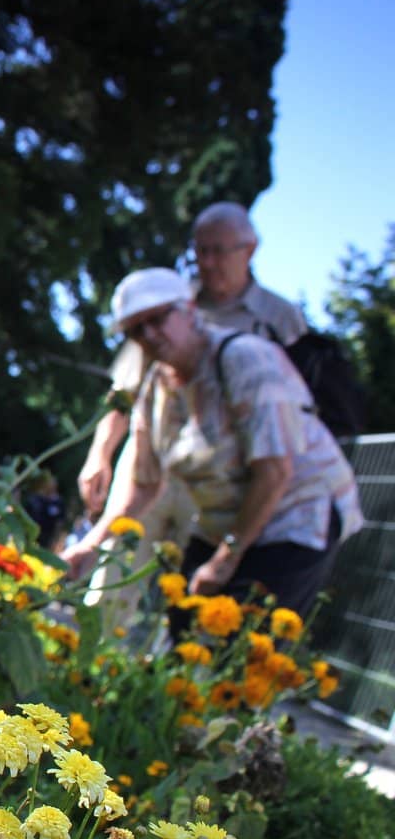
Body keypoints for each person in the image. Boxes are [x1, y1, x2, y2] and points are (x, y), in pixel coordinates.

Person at [62, 267, 363, 617]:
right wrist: (90, 545)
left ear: (188, 309)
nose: (149, 335)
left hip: (294, 518)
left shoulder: (245, 359)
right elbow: (143, 486)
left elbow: (275, 471)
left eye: (157, 319)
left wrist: (225, 560)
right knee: (184, 620)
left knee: (243, 638)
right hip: (224, 519)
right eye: (135, 330)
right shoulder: (155, 387)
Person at [76, 201, 308, 521]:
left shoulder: (280, 317)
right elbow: (122, 395)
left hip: (227, 469)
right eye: (200, 251)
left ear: (250, 249)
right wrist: (99, 454)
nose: (208, 263)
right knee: (115, 553)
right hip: (154, 455)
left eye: (218, 251)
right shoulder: (161, 305)